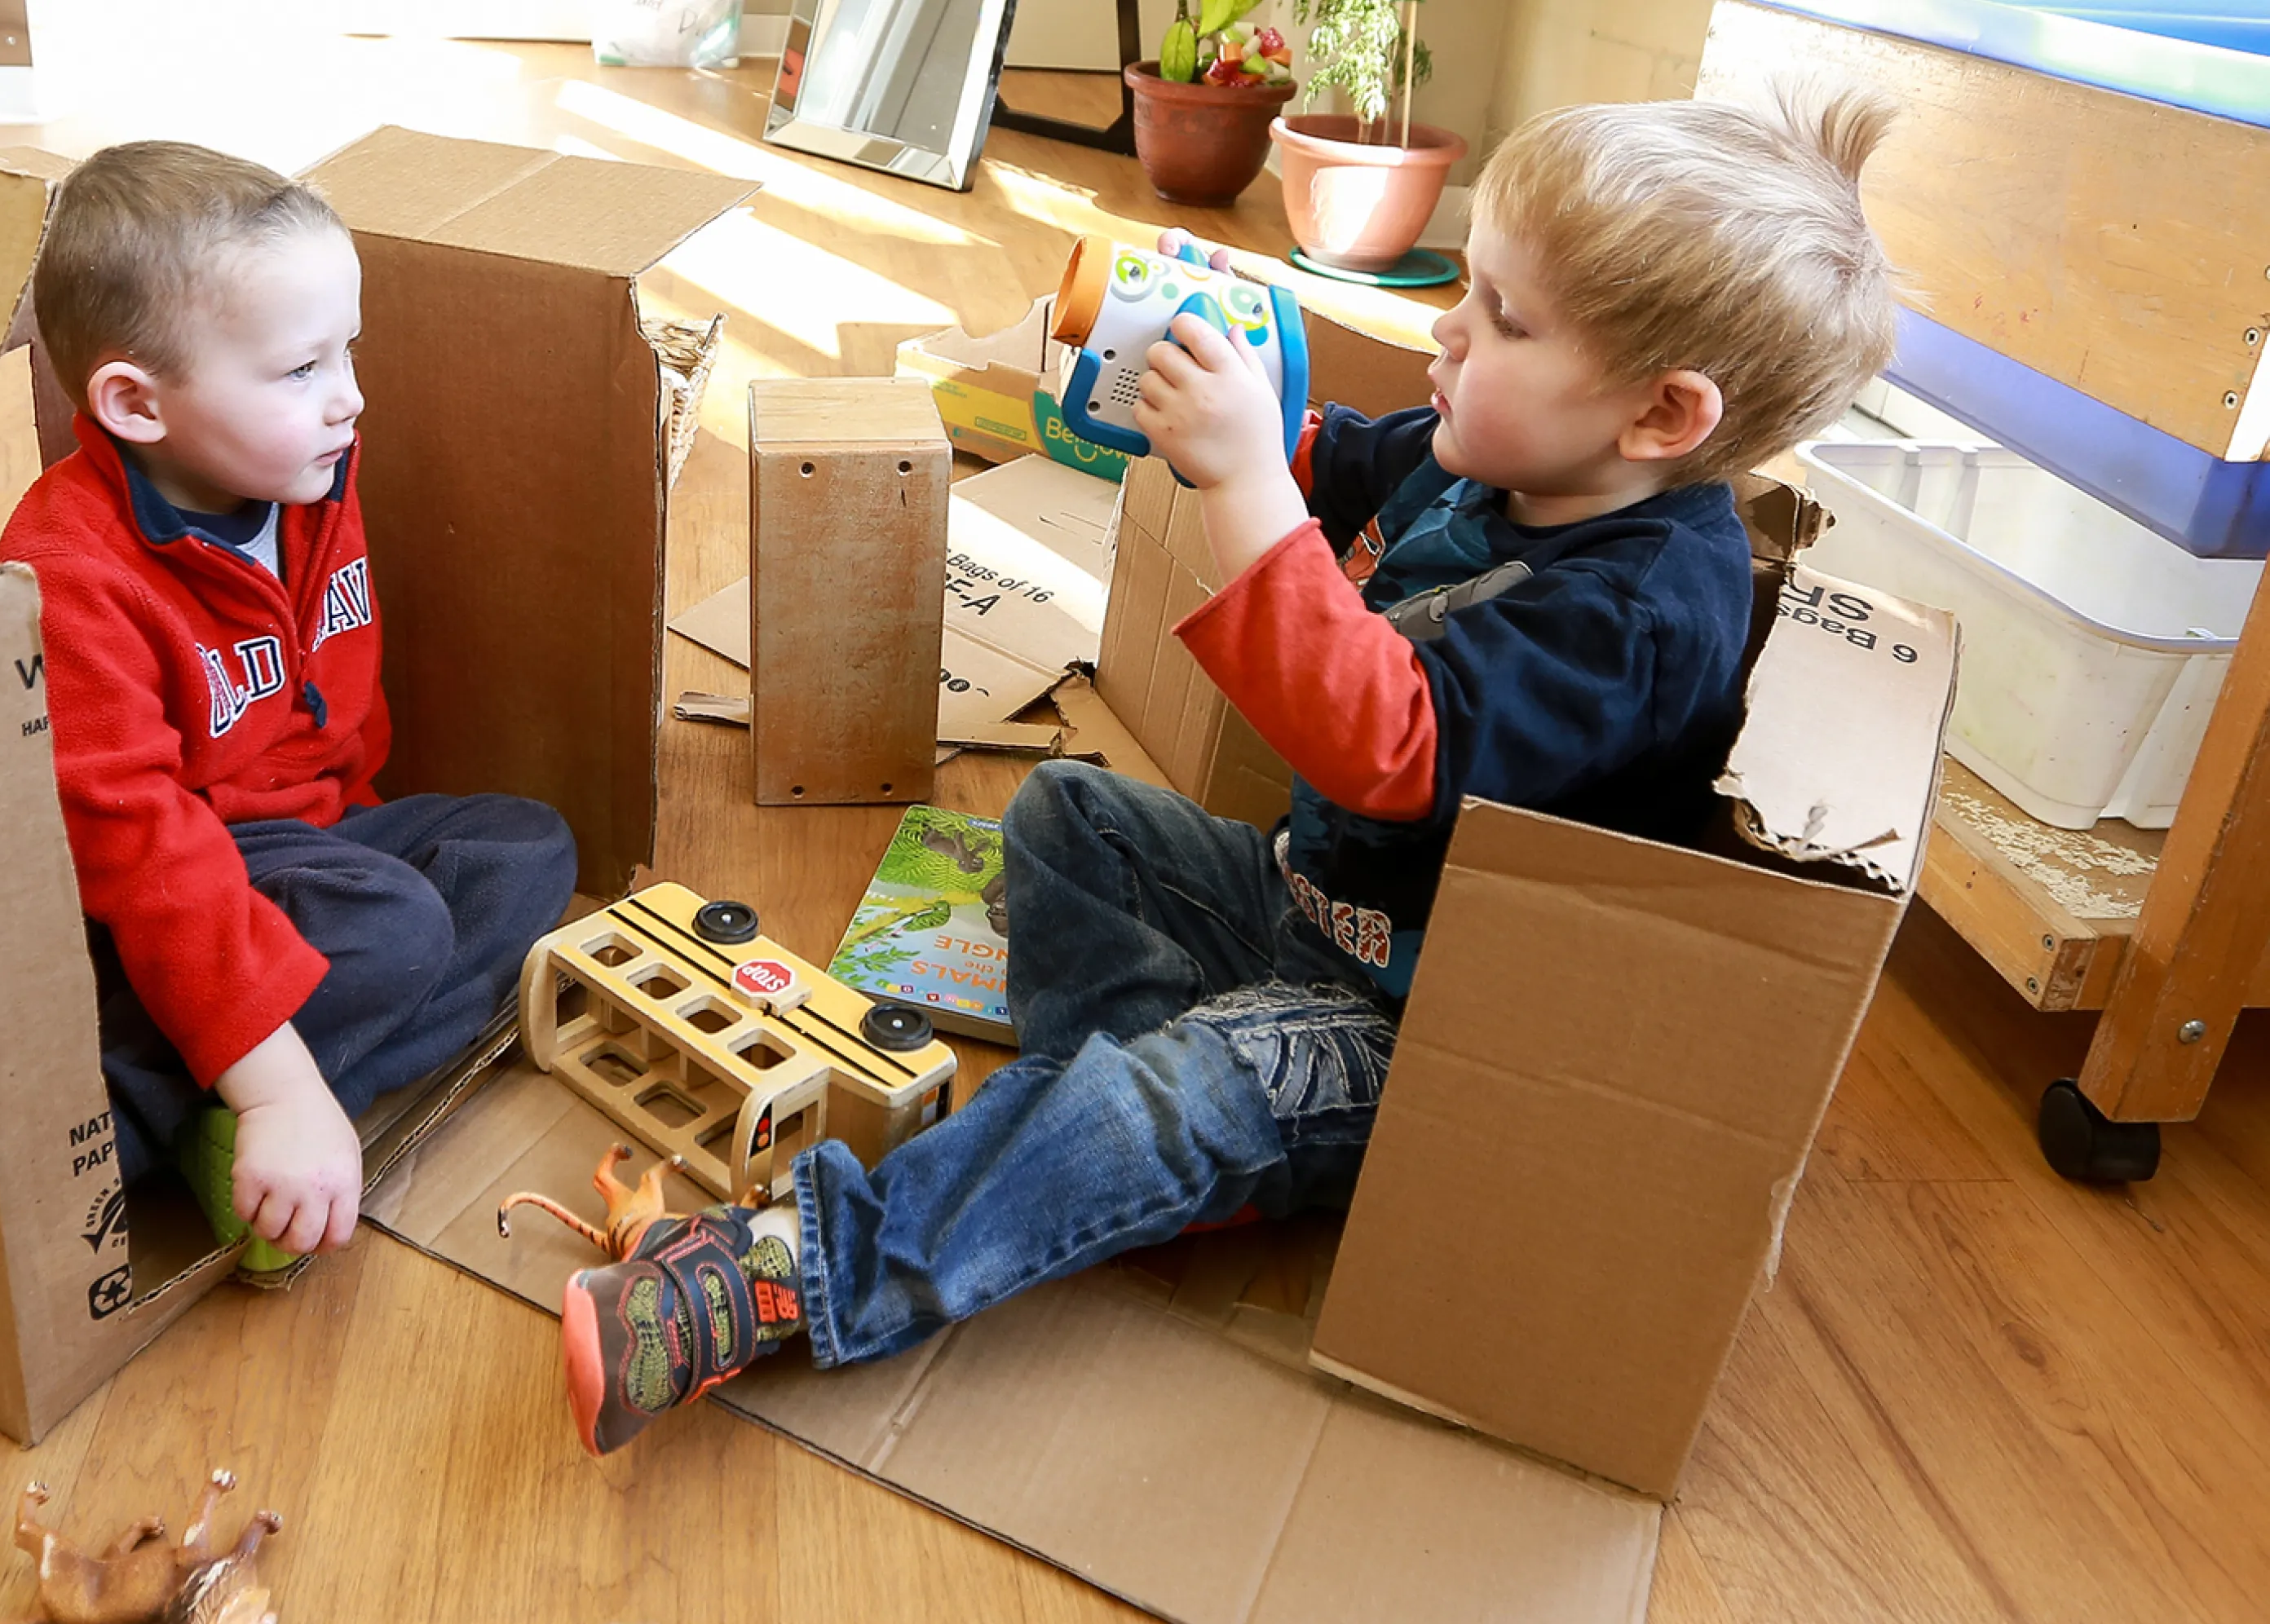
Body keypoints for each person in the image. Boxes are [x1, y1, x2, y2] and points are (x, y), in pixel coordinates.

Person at [553, 87, 1901, 1454]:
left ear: (1662, 416)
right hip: (1306, 906)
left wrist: (1244, 487)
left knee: (1169, 1095)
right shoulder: (1507, 461)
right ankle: (1114, 1159)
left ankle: (794, 1268)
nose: (1447, 326)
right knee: (1071, 812)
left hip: (1425, 1031)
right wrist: (1190, 395)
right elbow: (1322, 452)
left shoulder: (1646, 615)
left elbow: (1392, 747)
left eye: (1502, 315)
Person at [0, 142, 576, 1266]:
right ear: (135, 402)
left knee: (525, 847)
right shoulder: (71, 572)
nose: (350, 397)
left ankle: (235, 1113)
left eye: (346, 349)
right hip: (167, 896)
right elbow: (142, 854)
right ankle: (178, 1103)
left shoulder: (303, 477)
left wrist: (369, 846)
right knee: (401, 928)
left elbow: (345, 715)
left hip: (316, 846)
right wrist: (284, 1071)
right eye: (301, 368)